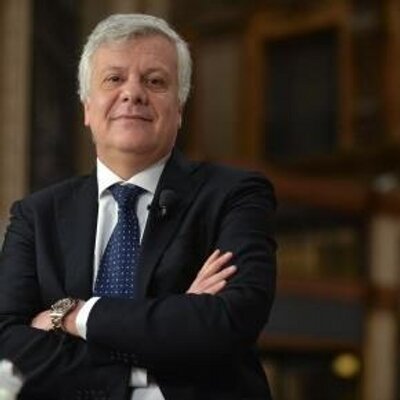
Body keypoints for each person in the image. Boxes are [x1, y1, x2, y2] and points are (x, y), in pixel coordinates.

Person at [0, 13, 276, 400]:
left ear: (179, 109)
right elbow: (7, 344)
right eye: (114, 79)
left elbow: (228, 321)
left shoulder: (235, 195)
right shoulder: (36, 215)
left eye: (155, 81)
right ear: (87, 107)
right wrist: (169, 325)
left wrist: (76, 315)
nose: (133, 93)